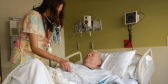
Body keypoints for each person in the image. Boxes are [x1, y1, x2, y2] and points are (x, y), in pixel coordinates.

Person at [9, 0, 71, 72]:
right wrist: (59, 59)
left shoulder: (44, 19)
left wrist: (52, 26)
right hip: (23, 56)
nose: (57, 14)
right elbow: (34, 48)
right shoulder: (33, 16)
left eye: (59, 12)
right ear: (49, 6)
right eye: (56, 11)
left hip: (35, 58)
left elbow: (45, 41)